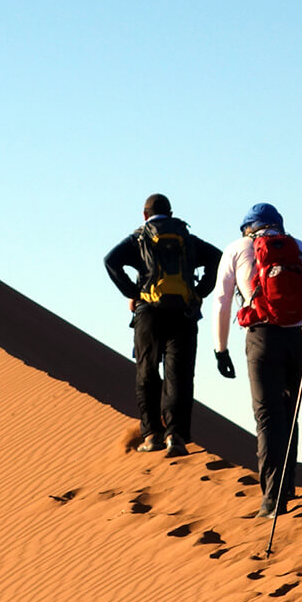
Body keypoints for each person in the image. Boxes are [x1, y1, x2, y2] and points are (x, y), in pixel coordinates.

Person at [208, 203, 302, 518]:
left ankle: (272, 498)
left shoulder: (238, 249)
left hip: (262, 338)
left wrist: (220, 348)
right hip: (300, 339)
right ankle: (288, 485)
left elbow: (222, 301)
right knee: (289, 415)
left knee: (267, 417)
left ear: (249, 227)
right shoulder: (300, 248)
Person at [104, 193, 221, 457]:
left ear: (145, 215)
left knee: (146, 370)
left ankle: (152, 434)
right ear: (170, 213)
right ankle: (176, 436)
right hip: (184, 314)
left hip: (148, 313)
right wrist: (200, 291)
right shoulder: (186, 239)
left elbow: (110, 261)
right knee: (178, 375)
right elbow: (218, 257)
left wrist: (132, 292)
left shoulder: (140, 238)